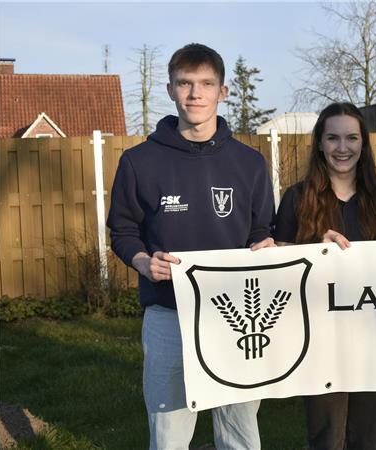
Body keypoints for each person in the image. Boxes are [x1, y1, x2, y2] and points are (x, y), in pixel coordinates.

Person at [107, 43, 276, 450]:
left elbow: (260, 229)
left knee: (239, 432)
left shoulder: (250, 163)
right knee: (169, 434)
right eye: (185, 83)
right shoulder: (139, 162)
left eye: (206, 84)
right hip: (168, 314)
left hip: (237, 316)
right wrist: (143, 261)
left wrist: (264, 245)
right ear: (170, 89)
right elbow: (123, 231)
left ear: (223, 91)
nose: (195, 93)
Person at [273, 102, 376, 450]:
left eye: (351, 138)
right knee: (326, 439)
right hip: (318, 339)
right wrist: (312, 249)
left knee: (368, 438)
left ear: (363, 143)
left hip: (375, 337)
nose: (342, 147)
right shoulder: (297, 198)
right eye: (332, 138)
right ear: (320, 143)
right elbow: (280, 267)